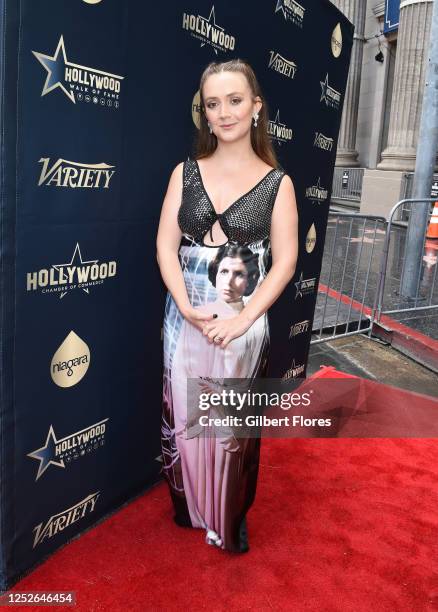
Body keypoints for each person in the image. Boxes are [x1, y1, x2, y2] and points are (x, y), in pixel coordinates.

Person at [156, 58, 298, 553]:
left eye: (235, 100)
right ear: (205, 113)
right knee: (186, 419)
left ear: (256, 107)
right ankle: (192, 508)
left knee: (232, 429)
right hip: (185, 319)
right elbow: (165, 247)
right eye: (213, 104)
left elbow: (284, 262)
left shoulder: (278, 184)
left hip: (244, 323)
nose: (225, 112)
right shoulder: (184, 172)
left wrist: (243, 318)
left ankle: (228, 515)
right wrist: (184, 306)